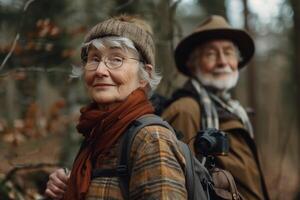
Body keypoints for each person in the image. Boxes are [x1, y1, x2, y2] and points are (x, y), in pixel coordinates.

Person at [45, 15, 188, 200]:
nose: (100, 70)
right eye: (94, 59)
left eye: (116, 59)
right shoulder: (98, 132)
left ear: (145, 75)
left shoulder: (151, 140)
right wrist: (69, 187)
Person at [162, 15, 270, 200]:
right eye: (211, 54)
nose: (222, 61)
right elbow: (178, 187)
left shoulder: (236, 112)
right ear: (192, 63)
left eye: (228, 52)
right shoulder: (186, 110)